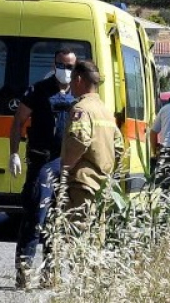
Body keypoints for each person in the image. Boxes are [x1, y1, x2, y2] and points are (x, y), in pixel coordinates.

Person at [9, 48, 77, 289]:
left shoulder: (78, 95)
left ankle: (51, 274)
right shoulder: (38, 90)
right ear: (54, 63)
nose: (65, 70)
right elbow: (18, 120)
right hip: (42, 161)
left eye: (70, 66)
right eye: (62, 64)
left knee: (58, 221)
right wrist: (14, 153)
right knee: (35, 217)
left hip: (66, 162)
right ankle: (25, 273)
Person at [59, 59, 122, 216]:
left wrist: (65, 168)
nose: (70, 85)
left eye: (72, 80)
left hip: (82, 184)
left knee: (75, 233)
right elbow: (119, 148)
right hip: (102, 186)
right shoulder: (106, 111)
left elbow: (79, 140)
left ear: (78, 79)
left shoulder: (81, 109)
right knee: (95, 235)